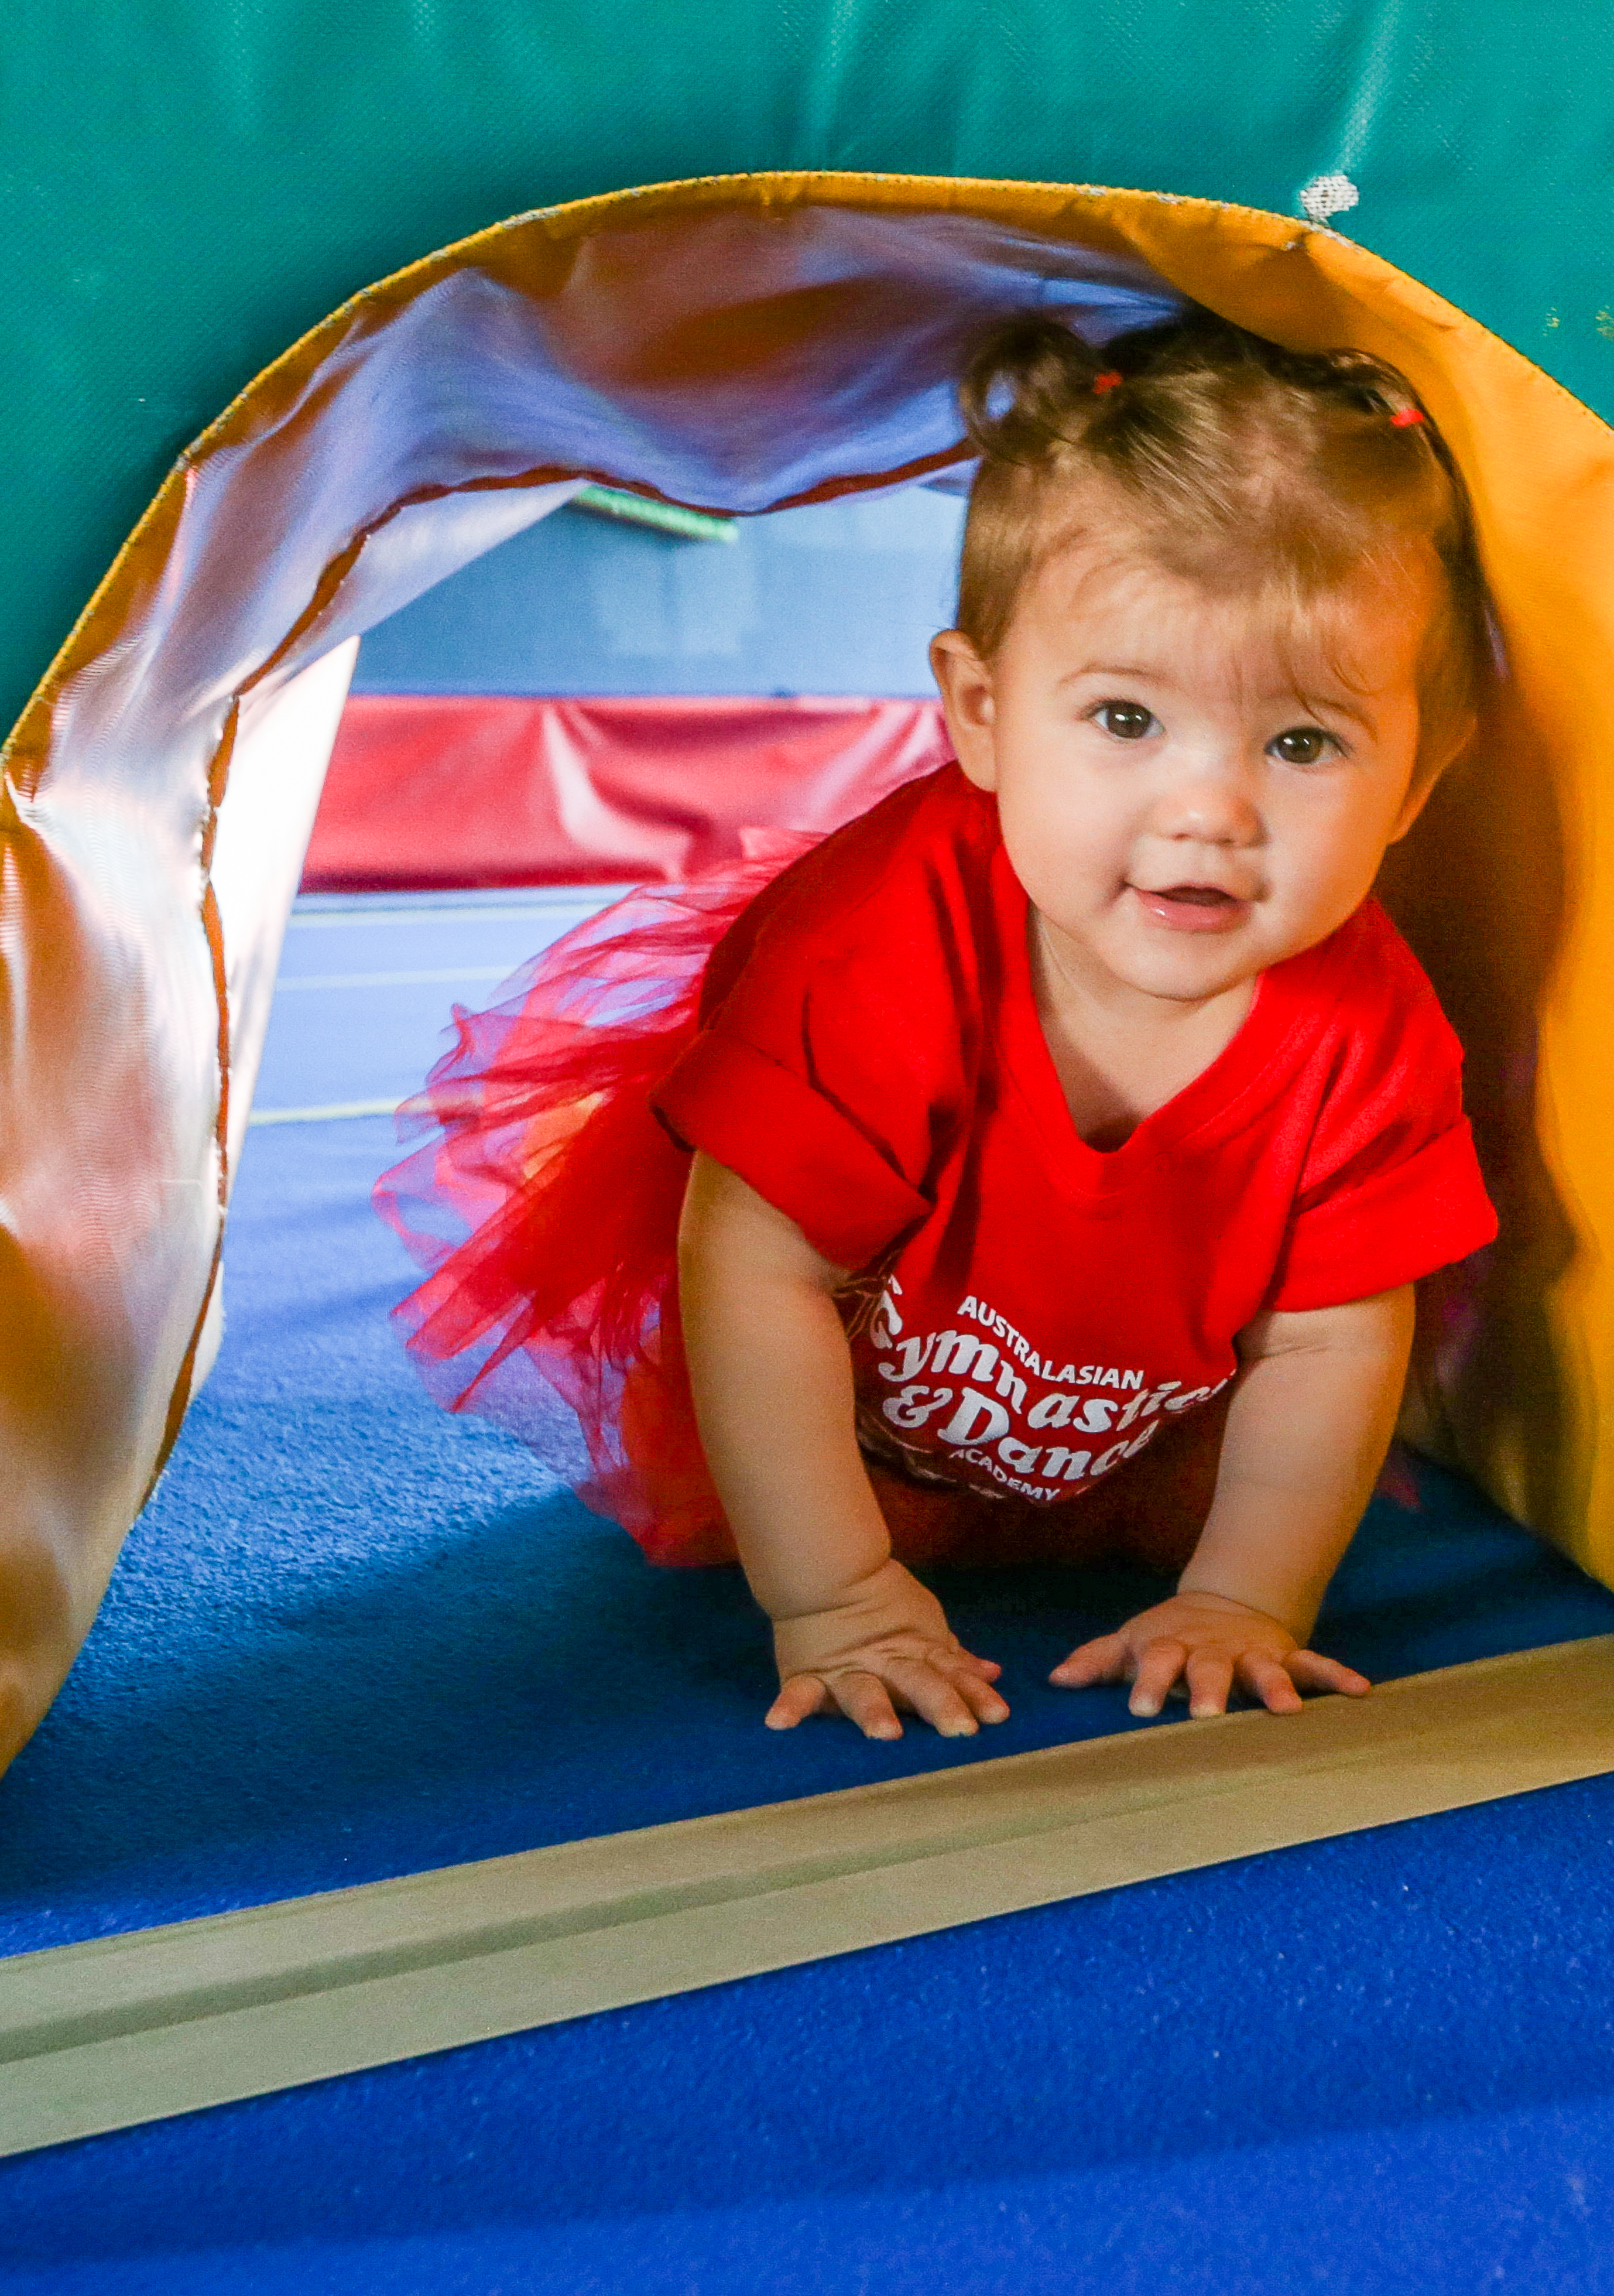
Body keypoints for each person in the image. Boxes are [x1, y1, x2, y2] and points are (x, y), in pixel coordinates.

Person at [378, 307, 1499, 1741]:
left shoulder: (1371, 1035)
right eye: (1124, 720)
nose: (1208, 809)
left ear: (1416, 784)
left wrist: (1245, 1595)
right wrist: (834, 1587)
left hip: (1135, 1413)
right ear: (978, 710)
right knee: (758, 1333)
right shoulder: (879, 946)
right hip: (827, 1386)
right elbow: (756, 1263)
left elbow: (1330, 1346)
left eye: (1300, 743)